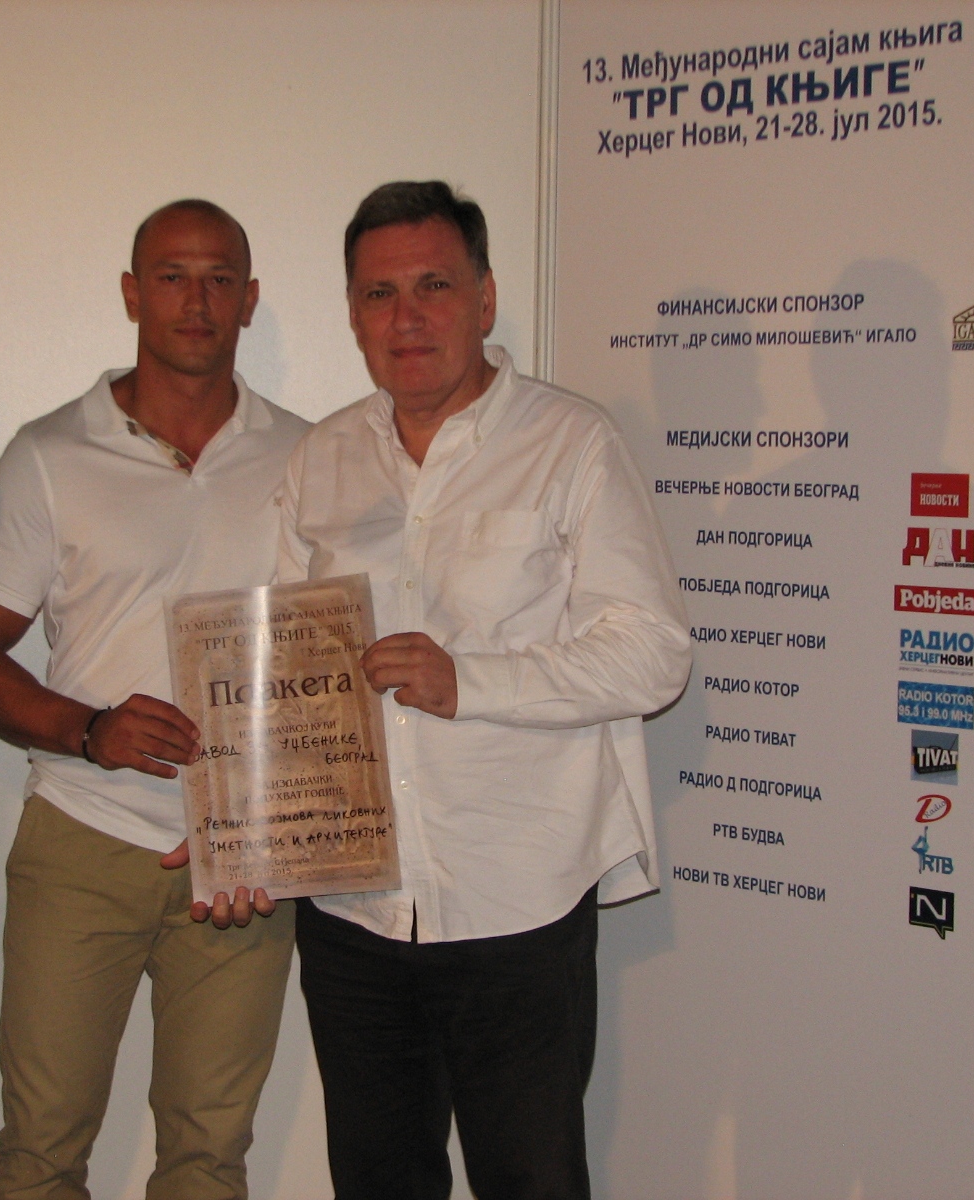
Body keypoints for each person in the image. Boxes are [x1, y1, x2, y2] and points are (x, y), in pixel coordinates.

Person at [276, 181, 691, 1200]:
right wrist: (231, 821)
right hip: (353, 909)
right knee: (376, 1181)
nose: (406, 317)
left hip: (517, 902)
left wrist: (470, 682)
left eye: (434, 285)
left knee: (530, 1181)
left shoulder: (572, 442)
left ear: (486, 297)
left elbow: (653, 655)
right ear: (352, 313)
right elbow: (278, 678)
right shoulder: (320, 458)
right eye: (379, 294)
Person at [0, 199, 308, 1200]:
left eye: (220, 278)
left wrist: (280, 823)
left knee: (208, 1161)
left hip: (242, 860)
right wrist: (88, 729)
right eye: (173, 276)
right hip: (82, 843)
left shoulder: (312, 457)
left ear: (250, 299)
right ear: (133, 293)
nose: (198, 300)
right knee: (40, 1154)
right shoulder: (50, 456)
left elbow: (337, 663)